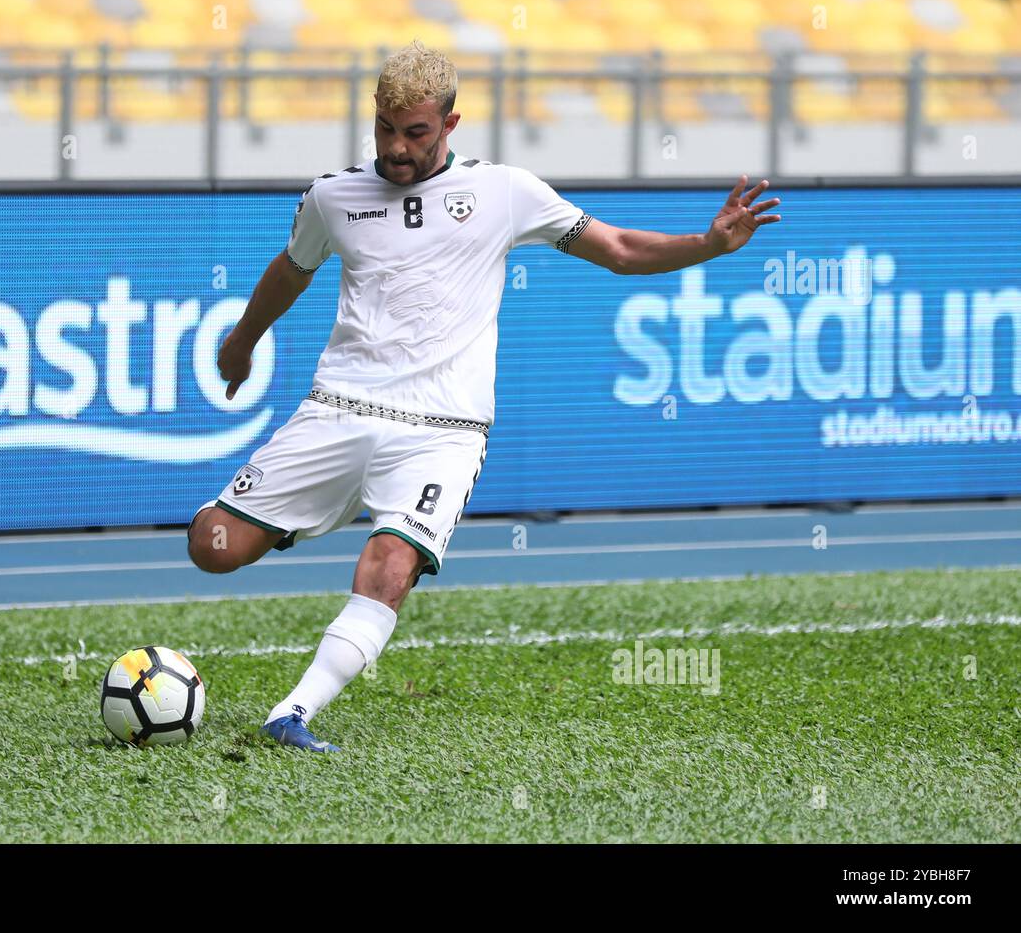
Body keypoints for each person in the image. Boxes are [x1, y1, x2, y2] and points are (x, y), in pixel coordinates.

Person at [187, 40, 782, 752]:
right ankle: (314, 507)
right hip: (338, 411)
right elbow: (291, 269)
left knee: (391, 563)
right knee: (212, 548)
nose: (397, 148)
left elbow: (619, 249)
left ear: (449, 124)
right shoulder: (332, 196)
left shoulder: (506, 191)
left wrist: (708, 243)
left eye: (415, 132)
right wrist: (243, 339)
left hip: (442, 429)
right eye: (385, 129)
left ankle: (293, 713)